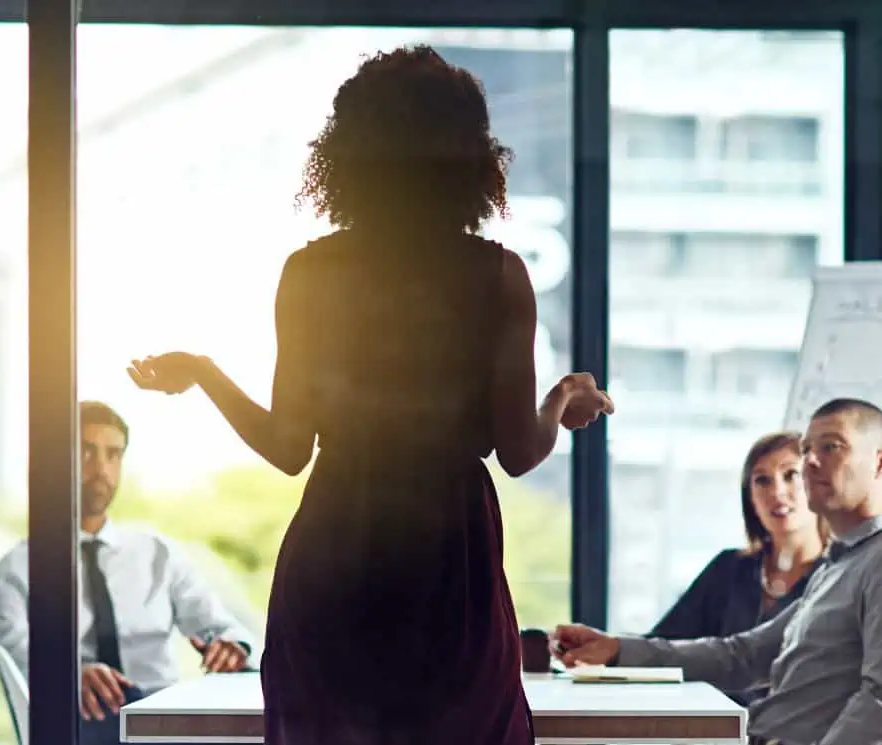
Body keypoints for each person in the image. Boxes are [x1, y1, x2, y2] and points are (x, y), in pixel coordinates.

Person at [126, 45, 615, 745]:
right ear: (467, 153)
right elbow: (518, 451)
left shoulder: (310, 274)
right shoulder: (499, 277)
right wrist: (563, 398)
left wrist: (205, 371)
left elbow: (288, 448)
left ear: (349, 151)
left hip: (334, 555)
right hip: (452, 569)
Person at [553, 398, 882, 745]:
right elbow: (743, 655)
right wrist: (617, 649)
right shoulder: (838, 566)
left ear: (881, 463)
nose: (812, 461)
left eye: (831, 447)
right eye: (807, 450)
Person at [0, 401, 257, 745]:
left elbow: (219, 626)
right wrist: (71, 674)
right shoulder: (13, 575)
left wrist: (232, 646)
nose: (101, 468)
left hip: (165, 724)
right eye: (86, 452)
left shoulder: (159, 556)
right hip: (78, 725)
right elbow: (24, 666)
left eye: (113, 455)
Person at [647, 431, 829, 706]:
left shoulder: (838, 575)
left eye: (790, 475)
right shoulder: (730, 568)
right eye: (762, 480)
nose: (776, 492)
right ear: (750, 499)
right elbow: (662, 645)